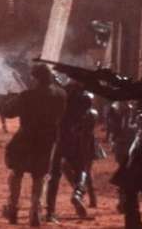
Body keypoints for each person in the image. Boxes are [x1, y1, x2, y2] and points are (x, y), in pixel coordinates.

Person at [54, 44, 142, 229]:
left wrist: (89, 82)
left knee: (130, 185)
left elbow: (117, 94)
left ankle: (137, 223)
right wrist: (109, 77)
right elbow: (131, 87)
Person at [0, 64, 66, 227]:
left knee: (16, 173)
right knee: (39, 176)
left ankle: (12, 208)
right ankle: (35, 211)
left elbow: (8, 112)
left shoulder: (27, 95)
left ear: (36, 78)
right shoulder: (61, 94)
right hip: (47, 140)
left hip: (25, 139)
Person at [45, 85, 98, 222]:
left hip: (60, 139)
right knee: (81, 171)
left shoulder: (62, 97)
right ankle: (78, 194)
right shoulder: (85, 100)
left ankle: (50, 211)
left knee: (54, 176)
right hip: (75, 140)